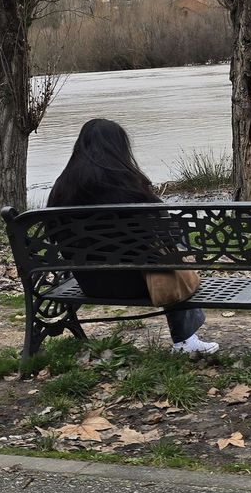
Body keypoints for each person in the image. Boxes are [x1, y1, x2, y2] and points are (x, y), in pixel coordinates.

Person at [47, 118, 218, 354]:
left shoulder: (61, 188)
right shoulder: (130, 185)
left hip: (89, 283)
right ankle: (185, 340)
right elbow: (165, 234)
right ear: (119, 148)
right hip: (137, 283)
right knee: (171, 260)